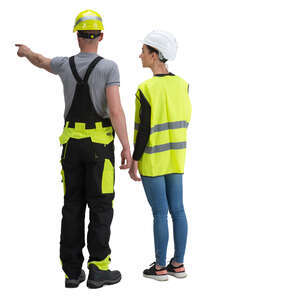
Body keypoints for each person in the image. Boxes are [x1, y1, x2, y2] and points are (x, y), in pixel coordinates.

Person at [15, 9, 132, 289]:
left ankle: (72, 272)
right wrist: (127, 146)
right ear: (100, 36)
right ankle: (98, 269)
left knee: (73, 206)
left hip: (70, 148)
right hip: (99, 147)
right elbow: (115, 110)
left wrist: (26, 51)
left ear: (78, 37)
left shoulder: (64, 65)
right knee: (101, 206)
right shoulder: (109, 67)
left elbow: (40, 61)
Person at [129, 30, 192, 281]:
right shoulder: (183, 85)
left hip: (153, 160)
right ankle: (178, 265)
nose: (140, 55)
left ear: (155, 55)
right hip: (176, 159)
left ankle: (160, 268)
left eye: (144, 51)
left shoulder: (146, 88)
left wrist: (134, 160)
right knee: (178, 210)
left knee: (159, 213)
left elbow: (144, 131)